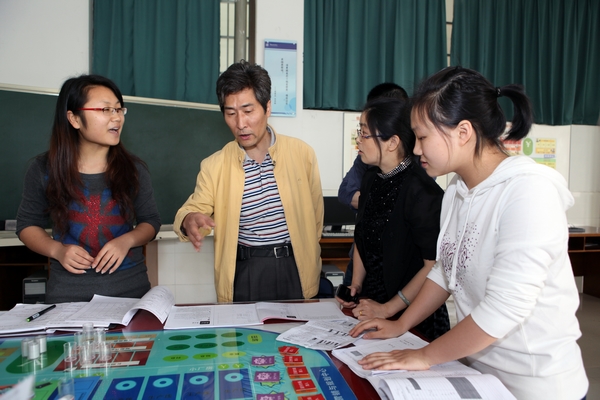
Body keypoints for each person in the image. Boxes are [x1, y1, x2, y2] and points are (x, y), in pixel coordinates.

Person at [350, 66, 589, 399]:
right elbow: (445, 271)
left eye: (423, 137)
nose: (416, 150)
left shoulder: (528, 191)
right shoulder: (457, 191)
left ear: (463, 132)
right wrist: (400, 324)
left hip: (536, 386)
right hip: (480, 374)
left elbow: (504, 309)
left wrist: (424, 355)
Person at [174, 60, 323, 303]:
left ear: (267, 107)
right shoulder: (214, 165)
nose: (240, 124)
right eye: (231, 113)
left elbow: (316, 217)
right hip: (245, 271)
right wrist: (189, 219)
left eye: (248, 111)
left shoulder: (302, 154)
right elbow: (192, 209)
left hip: (296, 268)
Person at [16, 74, 161, 303]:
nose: (116, 117)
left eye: (119, 109)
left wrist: (127, 240)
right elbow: (27, 225)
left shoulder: (133, 169)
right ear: (74, 119)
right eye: (105, 110)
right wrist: (57, 250)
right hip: (68, 296)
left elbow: (150, 221)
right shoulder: (43, 169)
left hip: (130, 294)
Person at [336, 97, 450, 341]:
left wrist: (389, 308)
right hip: (372, 307)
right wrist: (355, 286)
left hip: (414, 315)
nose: (358, 140)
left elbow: (433, 266)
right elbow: (363, 237)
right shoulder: (371, 179)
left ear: (392, 142)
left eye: (365, 133)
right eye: (359, 132)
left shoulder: (422, 191)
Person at [338, 83, 409, 286]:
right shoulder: (368, 169)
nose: (359, 140)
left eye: (365, 132)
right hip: (362, 261)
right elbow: (345, 192)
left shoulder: (418, 172)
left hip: (398, 269)